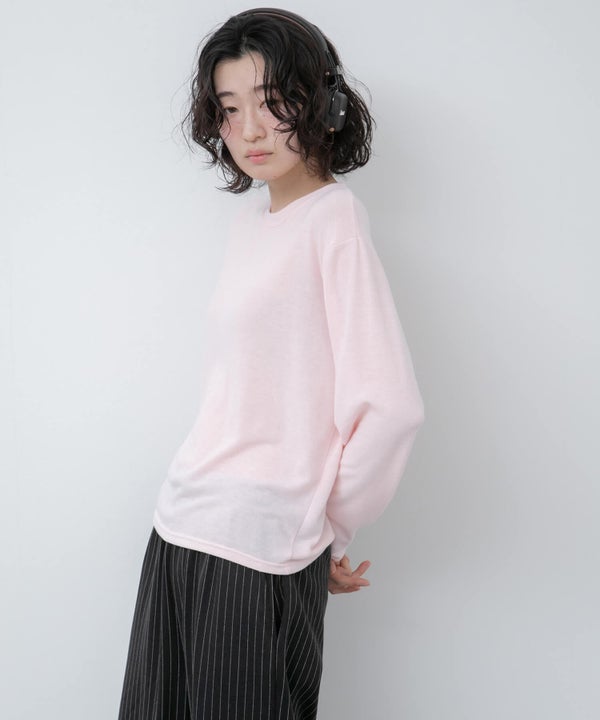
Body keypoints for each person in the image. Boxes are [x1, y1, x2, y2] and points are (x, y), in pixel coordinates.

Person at [118, 7, 425, 720]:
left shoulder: (334, 221)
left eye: (271, 101)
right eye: (230, 109)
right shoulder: (253, 221)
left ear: (322, 102)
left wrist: (322, 530)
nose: (249, 130)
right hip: (183, 525)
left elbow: (391, 406)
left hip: (258, 548)